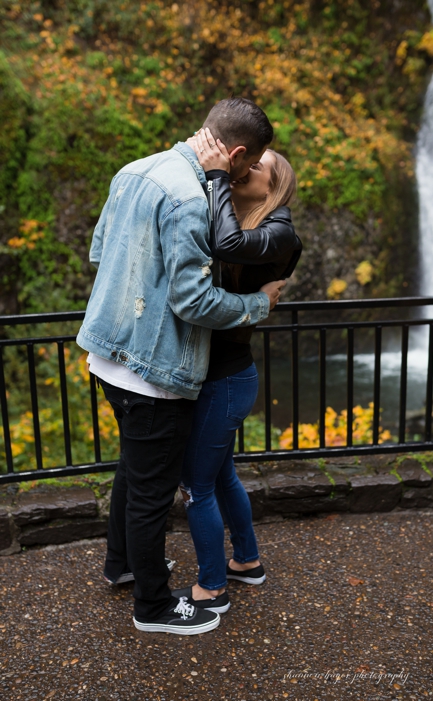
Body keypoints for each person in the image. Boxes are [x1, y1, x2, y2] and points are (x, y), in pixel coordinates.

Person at [83, 97, 286, 635]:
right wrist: (258, 305)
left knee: (133, 471)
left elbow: (102, 252)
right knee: (152, 494)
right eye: (247, 165)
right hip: (153, 371)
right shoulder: (191, 197)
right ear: (237, 156)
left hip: (106, 356)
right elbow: (193, 303)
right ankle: (153, 607)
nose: (239, 178)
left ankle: (122, 564)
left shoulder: (136, 168)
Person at [166, 128, 304, 615]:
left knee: (196, 486)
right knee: (221, 476)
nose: (248, 168)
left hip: (227, 378)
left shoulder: (281, 231)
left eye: (259, 166)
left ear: (273, 187)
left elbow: (225, 241)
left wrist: (218, 174)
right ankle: (246, 562)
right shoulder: (249, 225)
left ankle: (211, 589)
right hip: (222, 374)